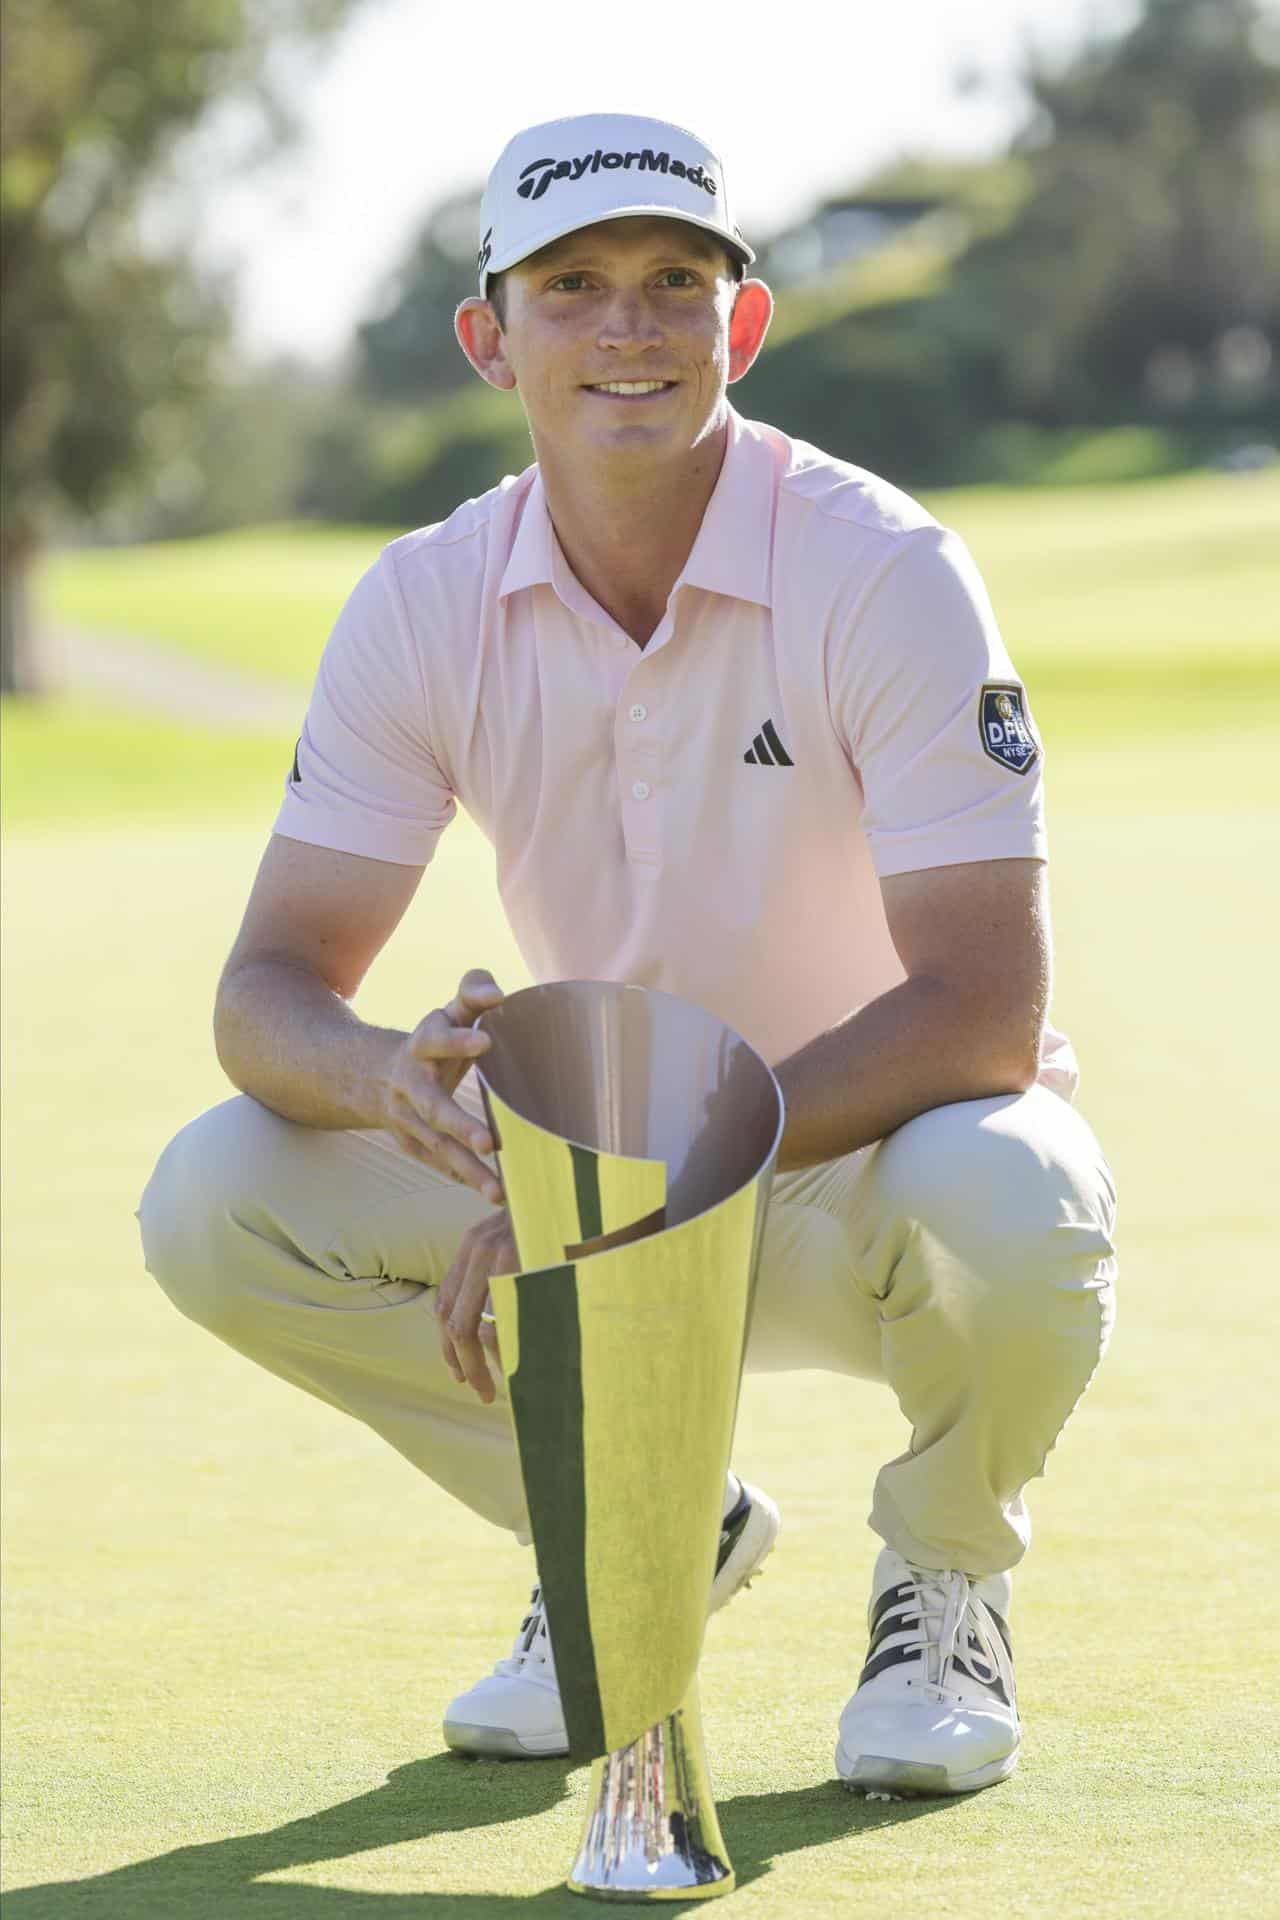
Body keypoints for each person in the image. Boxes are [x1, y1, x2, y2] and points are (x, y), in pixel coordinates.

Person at [139, 112, 1117, 1800]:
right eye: (573, 286)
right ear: (490, 338)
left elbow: (985, 1008)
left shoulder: (882, 568)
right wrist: (393, 1082)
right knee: (220, 1195)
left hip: (873, 1169)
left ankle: (943, 1582)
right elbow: (264, 990)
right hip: (595, 1194)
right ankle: (638, 1518)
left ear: (739, 327)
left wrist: (641, 1177)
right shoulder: (423, 599)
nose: (629, 327)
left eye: (678, 283)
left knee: (1018, 1195)